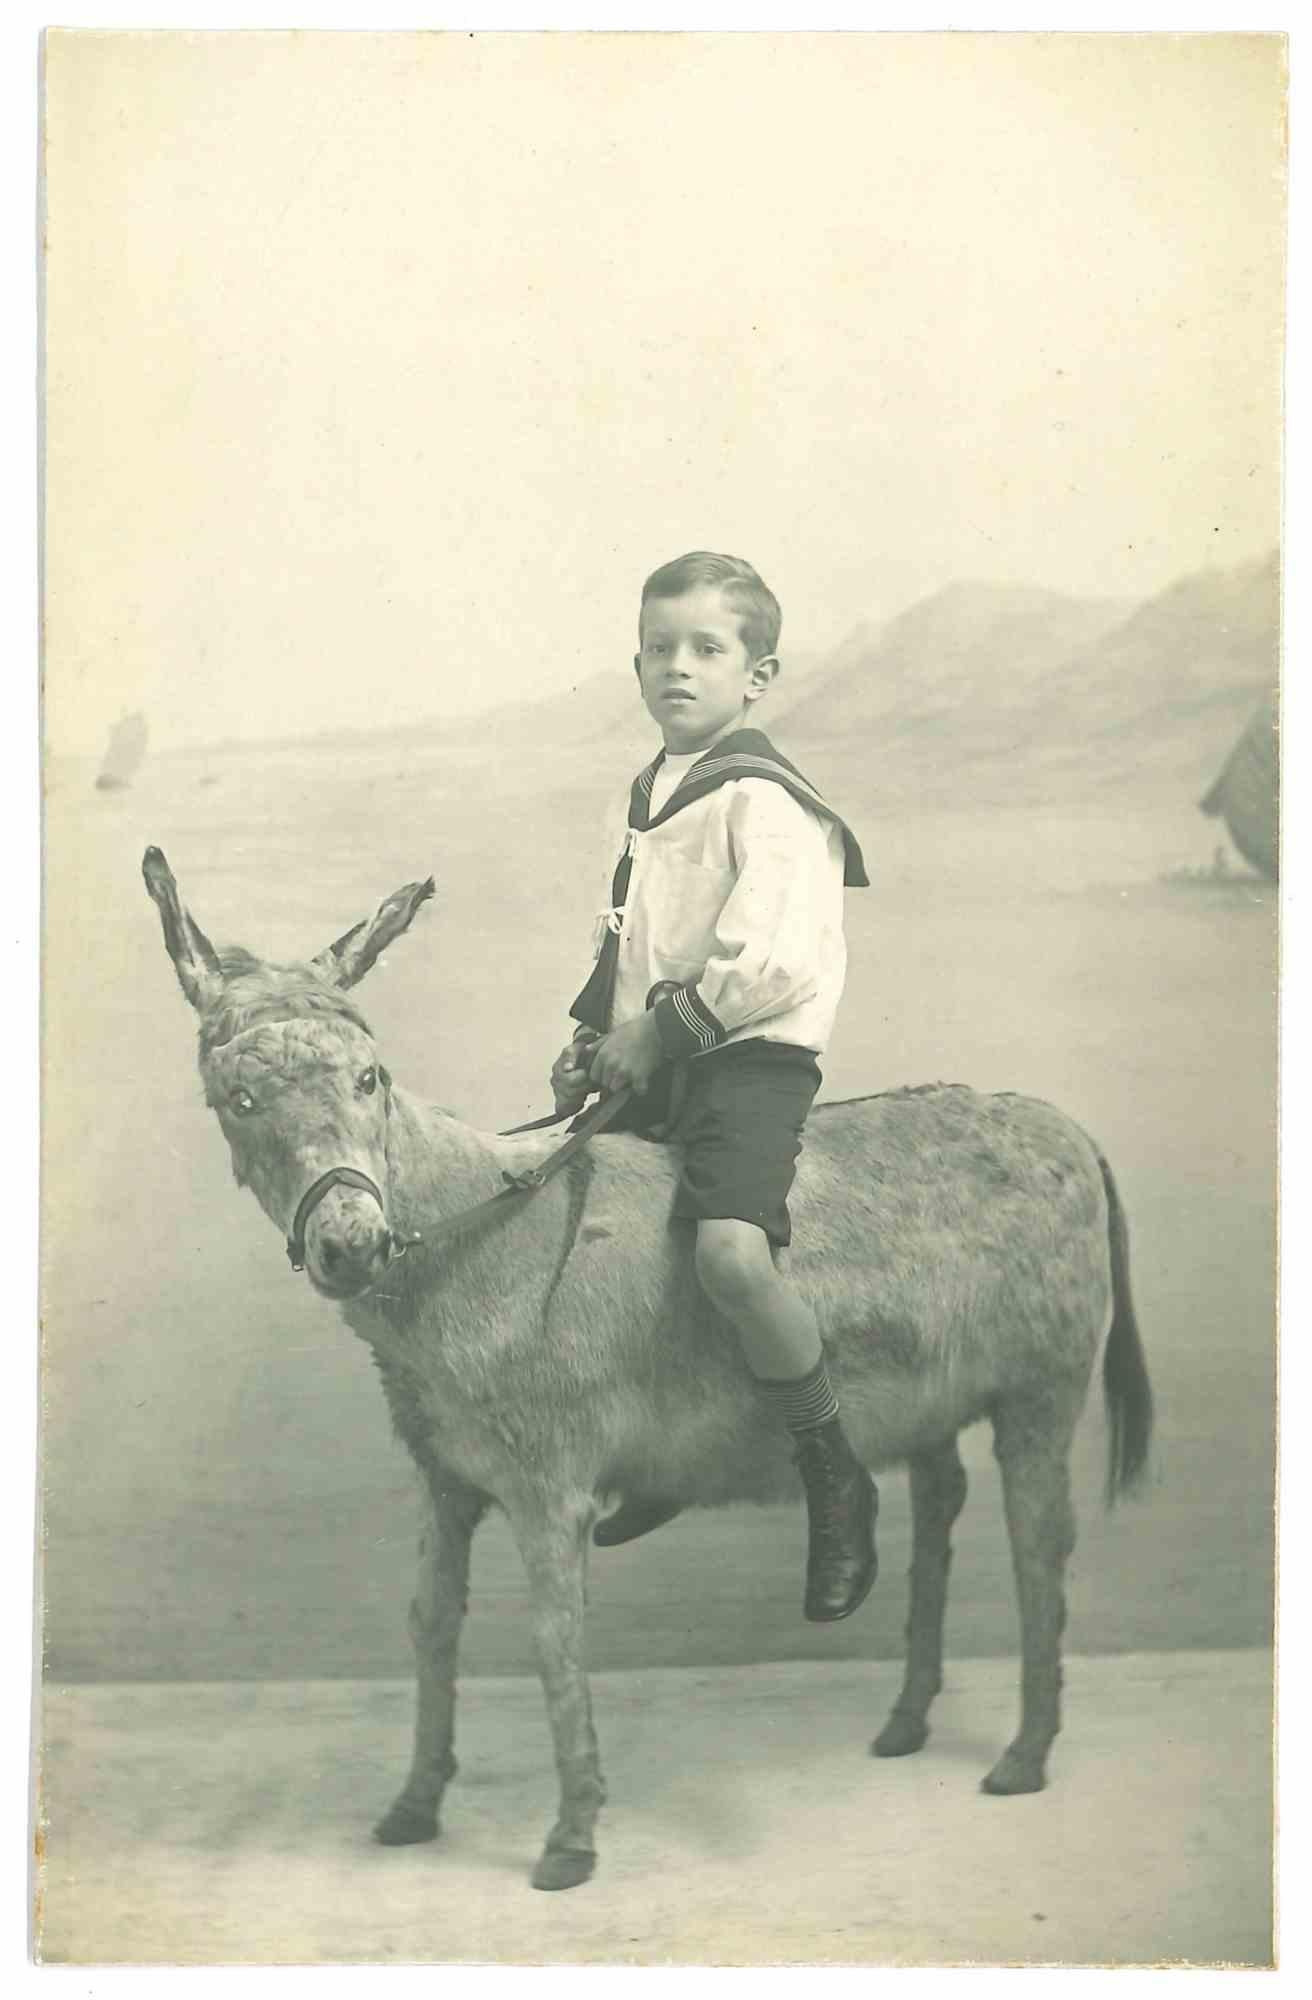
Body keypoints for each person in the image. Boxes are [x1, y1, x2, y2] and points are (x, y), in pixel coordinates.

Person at [551, 550, 877, 1623]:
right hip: (663, 1043)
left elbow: (773, 961)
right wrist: (590, 1039)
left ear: (758, 674)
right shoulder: (645, 793)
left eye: (706, 648)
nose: (676, 668)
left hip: (748, 1055)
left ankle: (832, 1466)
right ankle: (670, 1458)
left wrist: (657, 1035)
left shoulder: (767, 802)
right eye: (658, 648)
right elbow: (631, 940)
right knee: (596, 1239)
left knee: (730, 1255)